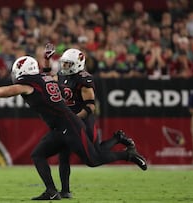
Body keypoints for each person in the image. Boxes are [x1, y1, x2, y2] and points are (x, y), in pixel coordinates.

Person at [0, 55, 147, 200]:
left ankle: (128, 155)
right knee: (38, 154)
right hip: (61, 127)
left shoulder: (29, 83)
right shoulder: (43, 77)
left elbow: (9, 91)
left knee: (93, 160)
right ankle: (52, 191)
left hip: (70, 125)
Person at [44, 46, 137, 198]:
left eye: (68, 64)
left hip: (83, 121)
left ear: (78, 64)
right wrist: (47, 59)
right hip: (69, 121)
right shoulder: (61, 74)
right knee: (63, 154)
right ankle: (65, 191)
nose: (64, 66)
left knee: (95, 156)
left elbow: (90, 106)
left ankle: (119, 142)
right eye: (64, 63)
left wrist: (75, 119)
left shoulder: (84, 79)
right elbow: (47, 78)